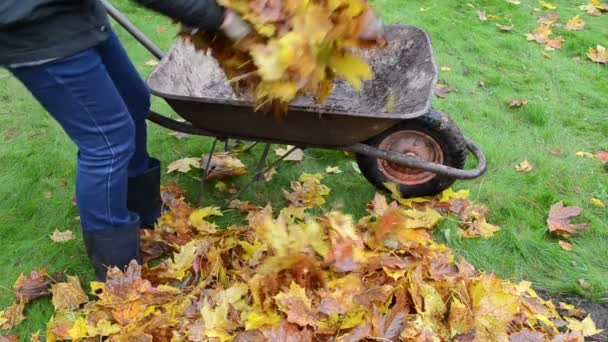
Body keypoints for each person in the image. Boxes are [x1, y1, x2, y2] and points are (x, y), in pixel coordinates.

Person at [0, 0, 382, 281]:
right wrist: (224, 18)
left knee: (134, 100)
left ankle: (146, 217)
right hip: (33, 28)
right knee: (107, 140)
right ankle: (117, 266)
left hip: (71, 14)